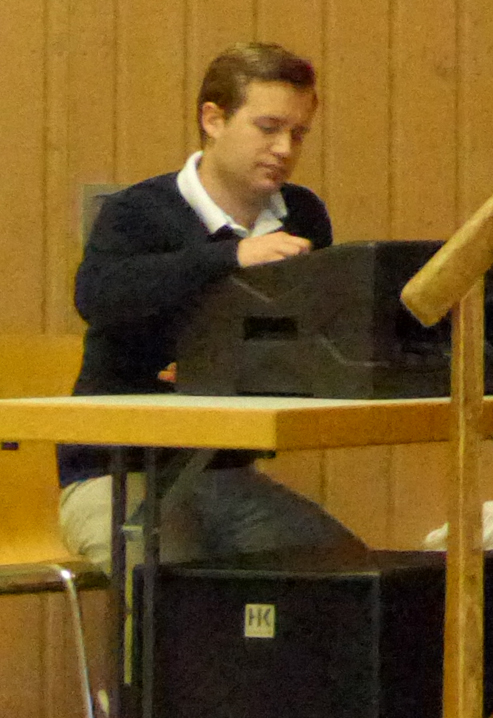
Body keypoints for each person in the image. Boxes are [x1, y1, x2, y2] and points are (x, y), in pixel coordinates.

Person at [57, 42, 366, 571]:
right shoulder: (138, 211)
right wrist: (230, 256)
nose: (284, 148)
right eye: (268, 128)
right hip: (114, 473)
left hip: (224, 474)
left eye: (298, 134)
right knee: (173, 586)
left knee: (344, 577)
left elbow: (314, 334)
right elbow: (100, 295)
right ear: (214, 119)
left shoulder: (303, 215)